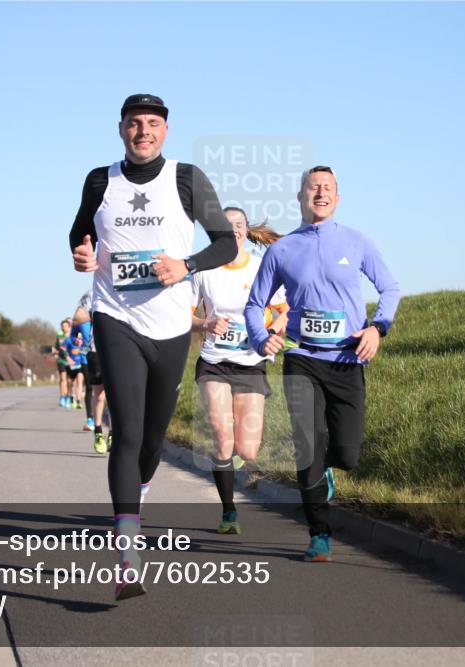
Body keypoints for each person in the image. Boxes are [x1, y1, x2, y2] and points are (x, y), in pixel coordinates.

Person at [69, 94, 237, 599]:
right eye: (135, 123)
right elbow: (79, 232)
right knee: (127, 431)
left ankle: (136, 494)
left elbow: (226, 243)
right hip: (115, 317)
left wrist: (186, 266)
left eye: (153, 124)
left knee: (152, 441)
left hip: (171, 327)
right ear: (121, 128)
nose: (143, 131)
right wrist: (79, 253)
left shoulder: (186, 178)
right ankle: (127, 554)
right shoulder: (100, 180)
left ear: (166, 130)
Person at [245, 166, 400, 563]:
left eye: (328, 187)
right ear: (300, 196)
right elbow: (254, 304)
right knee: (308, 445)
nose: (320, 192)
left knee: (347, 454)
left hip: (347, 358)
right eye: (313, 187)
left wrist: (377, 329)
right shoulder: (283, 250)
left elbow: (390, 288)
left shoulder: (357, 242)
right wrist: (263, 339)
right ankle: (319, 533)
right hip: (302, 357)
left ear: (338, 197)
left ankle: (328, 468)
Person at [191, 207, 287, 535]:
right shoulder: (203, 270)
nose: (233, 231)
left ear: (246, 232)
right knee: (222, 438)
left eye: (239, 226)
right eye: (226, 226)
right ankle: (228, 511)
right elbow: (183, 316)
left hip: (250, 362)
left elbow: (283, 309)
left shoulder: (262, 268)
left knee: (247, 449)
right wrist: (206, 322)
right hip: (214, 361)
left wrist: (273, 332)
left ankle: (235, 460)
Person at [75, 290, 112, 452]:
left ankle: (113, 432)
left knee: (115, 396)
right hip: (96, 350)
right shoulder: (92, 293)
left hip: (119, 350)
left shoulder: (125, 285)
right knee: (100, 396)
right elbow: (77, 318)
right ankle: (98, 431)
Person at [56, 319, 73, 408]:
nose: (64, 328)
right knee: (63, 379)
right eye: (62, 326)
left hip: (71, 361)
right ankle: (63, 397)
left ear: (69, 326)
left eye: (65, 326)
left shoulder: (72, 335)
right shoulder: (60, 335)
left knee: (70, 381)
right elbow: (58, 347)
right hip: (61, 360)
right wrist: (54, 351)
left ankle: (69, 396)